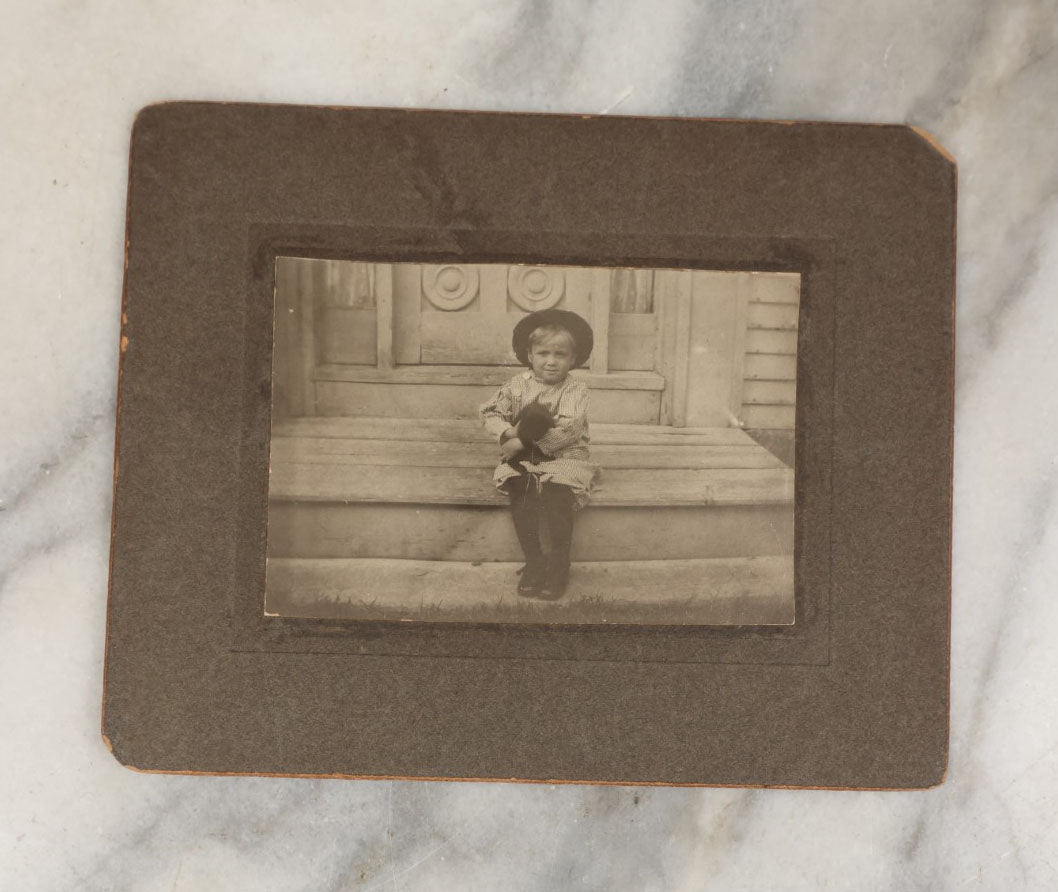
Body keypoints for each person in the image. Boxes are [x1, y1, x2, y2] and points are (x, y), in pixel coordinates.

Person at [479, 309, 598, 598]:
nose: (551, 361)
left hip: (565, 456)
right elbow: (490, 412)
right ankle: (535, 561)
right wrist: (506, 433)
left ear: (573, 359)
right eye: (543, 353)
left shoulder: (575, 389)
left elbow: (568, 430)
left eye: (560, 354)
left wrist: (518, 445)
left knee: (558, 498)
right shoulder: (516, 385)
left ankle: (559, 566)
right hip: (524, 460)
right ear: (529, 355)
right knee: (521, 493)